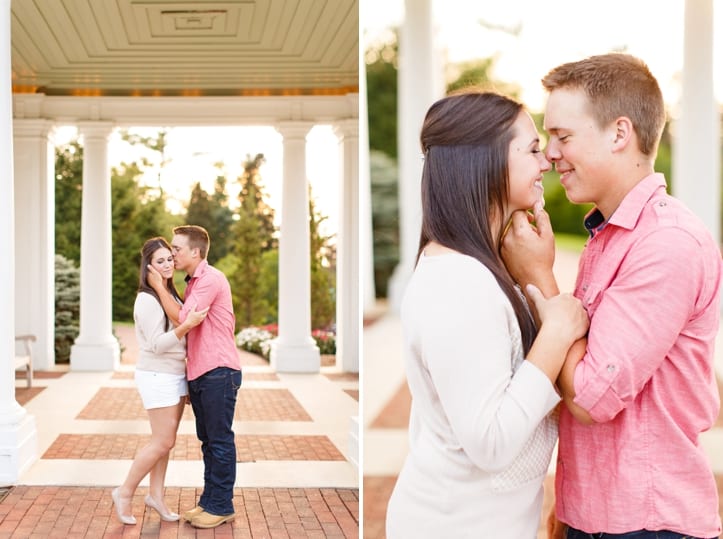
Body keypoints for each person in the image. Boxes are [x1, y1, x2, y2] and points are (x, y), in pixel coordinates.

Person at [501, 53, 722, 539]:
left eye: (562, 136)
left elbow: (592, 396)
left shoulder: (667, 244)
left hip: (649, 524)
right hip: (599, 518)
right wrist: (570, 505)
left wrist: (538, 273)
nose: (551, 154)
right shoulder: (612, 236)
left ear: (620, 134)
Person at [385, 90, 590, 538]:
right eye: (532, 149)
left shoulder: (477, 268)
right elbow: (490, 442)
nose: (546, 162)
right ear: (486, 160)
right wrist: (556, 333)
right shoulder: (458, 282)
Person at [147, 225, 242, 530]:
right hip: (202, 373)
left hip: (218, 371)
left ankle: (221, 505)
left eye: (176, 248)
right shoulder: (194, 283)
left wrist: (159, 286)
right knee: (208, 442)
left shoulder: (210, 279)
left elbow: (183, 320)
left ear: (195, 252)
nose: (172, 254)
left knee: (219, 441)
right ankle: (209, 502)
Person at [111, 237, 208, 525]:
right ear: (149, 267)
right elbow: (156, 345)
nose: (167, 264)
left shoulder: (169, 293)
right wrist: (187, 326)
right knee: (162, 441)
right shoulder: (147, 299)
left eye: (169, 258)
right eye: (160, 261)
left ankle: (156, 496)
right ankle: (124, 491)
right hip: (157, 375)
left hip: (175, 375)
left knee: (165, 443)